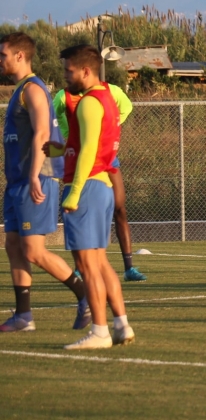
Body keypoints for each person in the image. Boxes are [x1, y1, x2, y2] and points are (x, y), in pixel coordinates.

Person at [0, 33, 90, 333]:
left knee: (34, 251)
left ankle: (85, 295)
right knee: (13, 245)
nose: (1, 60)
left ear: (20, 57)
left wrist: (35, 176)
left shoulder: (33, 90)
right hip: (17, 183)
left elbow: (42, 134)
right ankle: (24, 316)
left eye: (4, 55)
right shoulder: (19, 91)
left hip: (33, 180)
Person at [46, 45, 134, 349]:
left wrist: (74, 194)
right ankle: (121, 324)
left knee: (88, 264)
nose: (65, 76)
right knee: (99, 262)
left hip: (87, 188)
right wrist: (58, 150)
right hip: (101, 186)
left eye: (69, 70)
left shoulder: (88, 103)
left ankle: (99, 331)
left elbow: (88, 152)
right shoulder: (105, 99)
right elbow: (84, 143)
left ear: (86, 71)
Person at [54, 84, 146, 281]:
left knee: (119, 208)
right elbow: (55, 115)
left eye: (70, 70)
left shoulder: (109, 90)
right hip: (80, 157)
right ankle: (80, 266)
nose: (67, 75)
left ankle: (129, 267)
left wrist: (111, 127)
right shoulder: (64, 96)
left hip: (106, 157)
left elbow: (126, 106)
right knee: (77, 208)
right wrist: (68, 134)